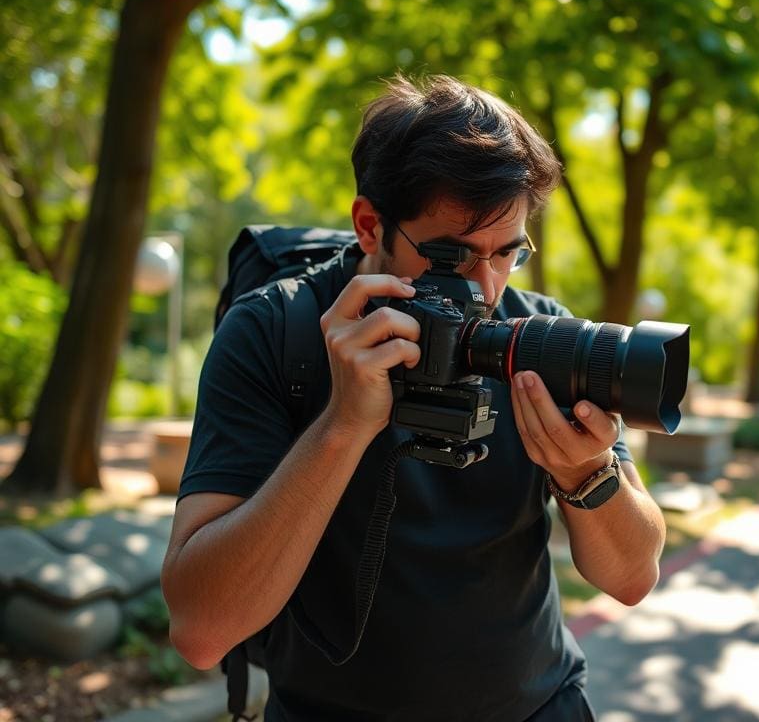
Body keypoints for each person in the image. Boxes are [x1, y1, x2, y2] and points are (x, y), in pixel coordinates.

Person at [161, 74, 667, 722]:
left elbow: (632, 577)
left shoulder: (538, 333)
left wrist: (585, 474)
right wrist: (342, 427)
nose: (486, 288)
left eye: (508, 253)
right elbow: (201, 631)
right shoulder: (273, 332)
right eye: (452, 257)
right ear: (370, 225)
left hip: (539, 707)